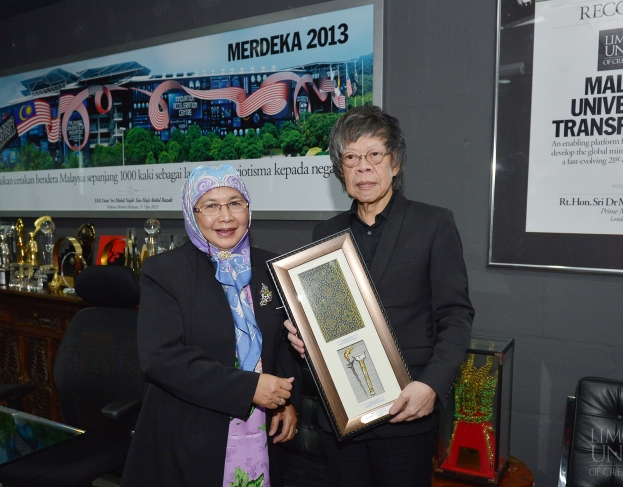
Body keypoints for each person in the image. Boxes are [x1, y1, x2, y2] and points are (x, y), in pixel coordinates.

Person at [285, 106, 474, 487]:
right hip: (342, 419)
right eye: (351, 158)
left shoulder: (434, 224)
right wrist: (307, 338)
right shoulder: (326, 232)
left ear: (396, 163)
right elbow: (330, 322)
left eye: (375, 155)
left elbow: (455, 315)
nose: (363, 167)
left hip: (407, 410)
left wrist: (432, 386)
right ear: (341, 170)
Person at [123, 164, 300, 487]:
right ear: (192, 213)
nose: (226, 217)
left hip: (259, 430)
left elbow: (282, 342)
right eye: (211, 206)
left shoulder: (272, 267)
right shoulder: (164, 272)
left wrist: (286, 401)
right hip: (189, 434)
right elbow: (161, 357)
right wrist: (250, 389)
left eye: (235, 203)